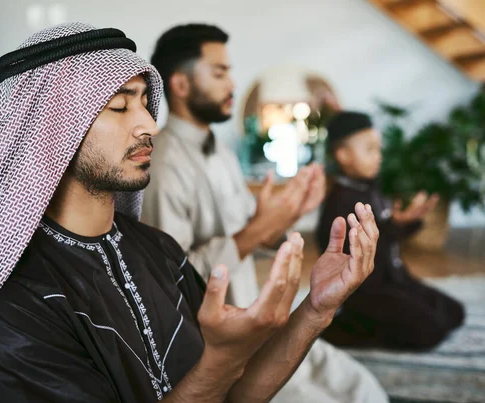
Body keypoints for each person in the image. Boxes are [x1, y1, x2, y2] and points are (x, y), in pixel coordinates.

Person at [0, 23, 379, 403]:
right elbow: (217, 376)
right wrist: (220, 359)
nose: (149, 123)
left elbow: (233, 394)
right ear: (52, 132)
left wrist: (317, 307)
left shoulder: (157, 249)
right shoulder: (15, 309)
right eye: (118, 106)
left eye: (142, 101)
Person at [142, 24, 388, 403]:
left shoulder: (222, 154)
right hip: (220, 350)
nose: (233, 85)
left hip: (261, 323)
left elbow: (250, 236)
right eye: (220, 73)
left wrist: (288, 216)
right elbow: (171, 280)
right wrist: (259, 228)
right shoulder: (160, 165)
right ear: (180, 84)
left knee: (363, 388)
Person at [317, 111, 465, 350]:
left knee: (455, 312)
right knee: (431, 329)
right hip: (369, 292)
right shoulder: (340, 203)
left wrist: (405, 220)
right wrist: (395, 224)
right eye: (370, 150)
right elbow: (362, 259)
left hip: (394, 279)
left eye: (378, 149)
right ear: (343, 155)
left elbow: (386, 235)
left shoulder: (370, 187)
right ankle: (347, 327)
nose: (378, 156)